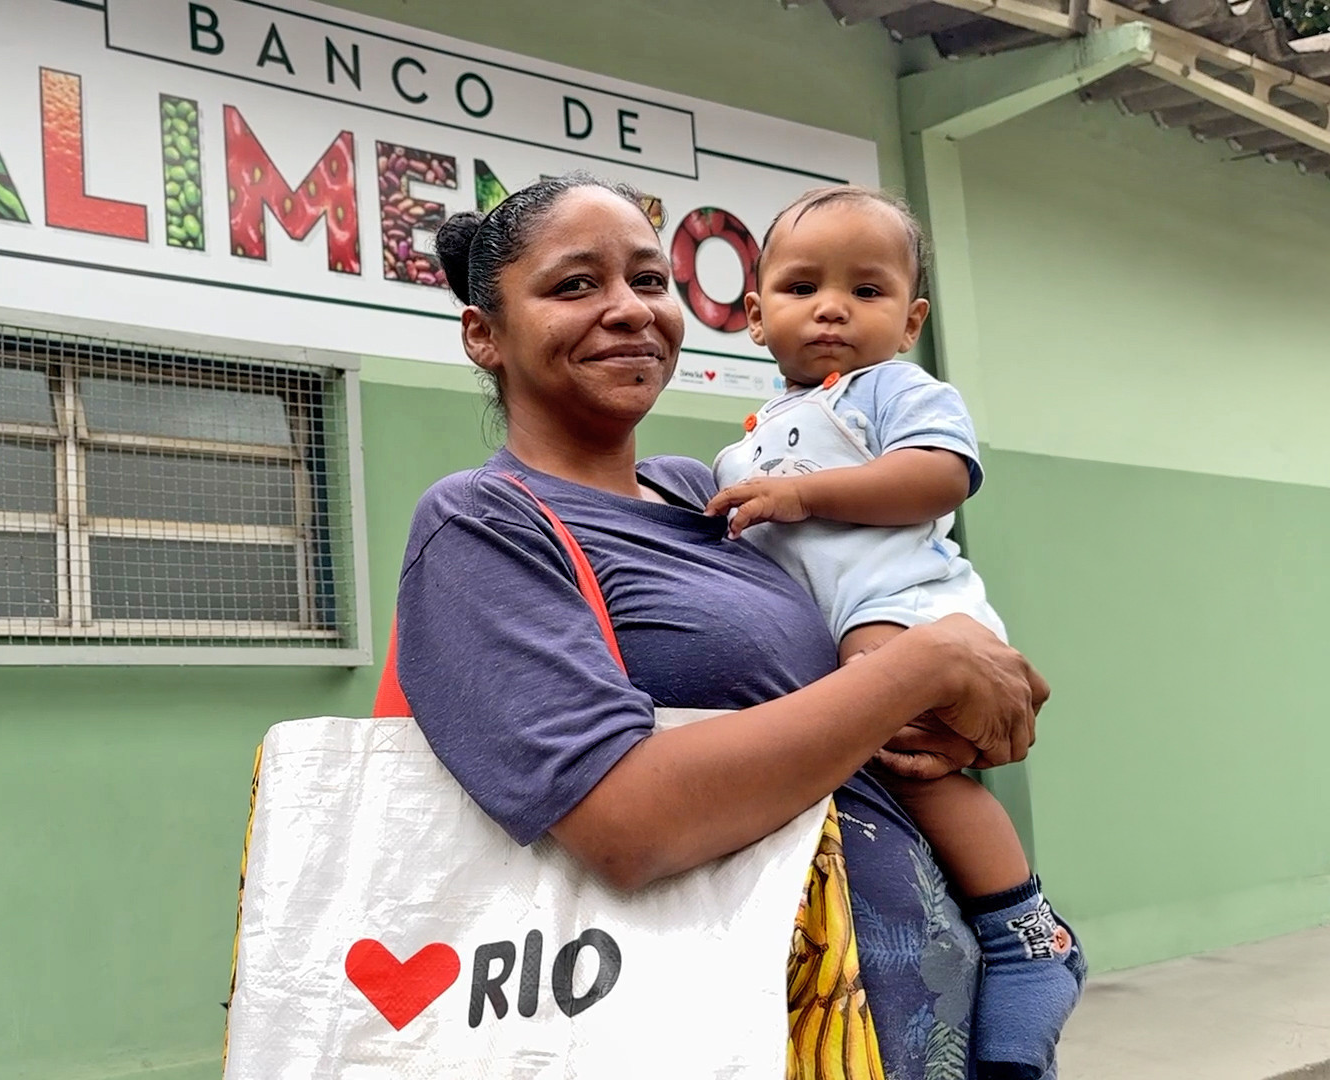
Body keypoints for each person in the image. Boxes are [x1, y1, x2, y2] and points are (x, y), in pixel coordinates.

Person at [391, 172, 1055, 1079]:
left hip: (917, 1006)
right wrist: (921, 669)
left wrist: (965, 704)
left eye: (649, 281)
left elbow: (881, 659)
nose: (629, 310)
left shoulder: (713, 496)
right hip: (753, 1029)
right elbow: (625, 825)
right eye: (575, 285)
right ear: (484, 334)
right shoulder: (483, 525)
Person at [705, 185, 1084, 1079]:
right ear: (756, 315)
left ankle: (1026, 934)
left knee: (916, 764)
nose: (833, 306)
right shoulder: (741, 449)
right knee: (888, 771)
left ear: (910, 320)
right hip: (836, 634)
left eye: (867, 292)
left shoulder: (891, 390)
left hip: (906, 612)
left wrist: (802, 495)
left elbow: (940, 476)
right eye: (802, 287)